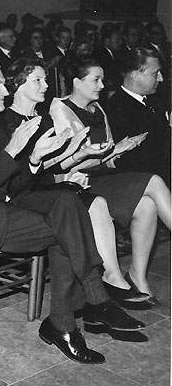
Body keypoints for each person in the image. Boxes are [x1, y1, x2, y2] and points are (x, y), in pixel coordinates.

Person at [0, 59, 145, 366]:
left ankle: (77, 313)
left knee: (67, 203)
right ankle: (82, 309)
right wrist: (13, 150)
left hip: (6, 205)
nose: (5, 91)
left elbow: (15, 185)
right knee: (67, 228)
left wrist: (33, 158)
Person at [0, 58, 149, 307]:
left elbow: (55, 166)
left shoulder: (44, 120)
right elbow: (16, 174)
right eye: (38, 80)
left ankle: (111, 280)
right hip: (21, 195)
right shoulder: (3, 121)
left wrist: (81, 153)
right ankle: (101, 291)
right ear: (18, 84)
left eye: (46, 79)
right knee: (81, 204)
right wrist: (43, 157)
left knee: (95, 202)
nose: (46, 85)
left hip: (46, 188)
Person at [49, 56, 171, 306]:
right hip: (76, 184)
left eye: (102, 79)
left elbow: (106, 156)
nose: (103, 86)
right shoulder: (60, 111)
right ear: (77, 82)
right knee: (155, 182)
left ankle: (138, 277)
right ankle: (115, 278)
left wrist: (120, 150)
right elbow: (69, 164)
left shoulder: (98, 109)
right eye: (96, 80)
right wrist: (113, 153)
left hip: (99, 177)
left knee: (147, 205)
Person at [106, 47, 170, 185]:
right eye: (155, 73)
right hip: (146, 180)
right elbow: (139, 158)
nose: (161, 78)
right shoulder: (118, 107)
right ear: (135, 75)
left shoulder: (155, 100)